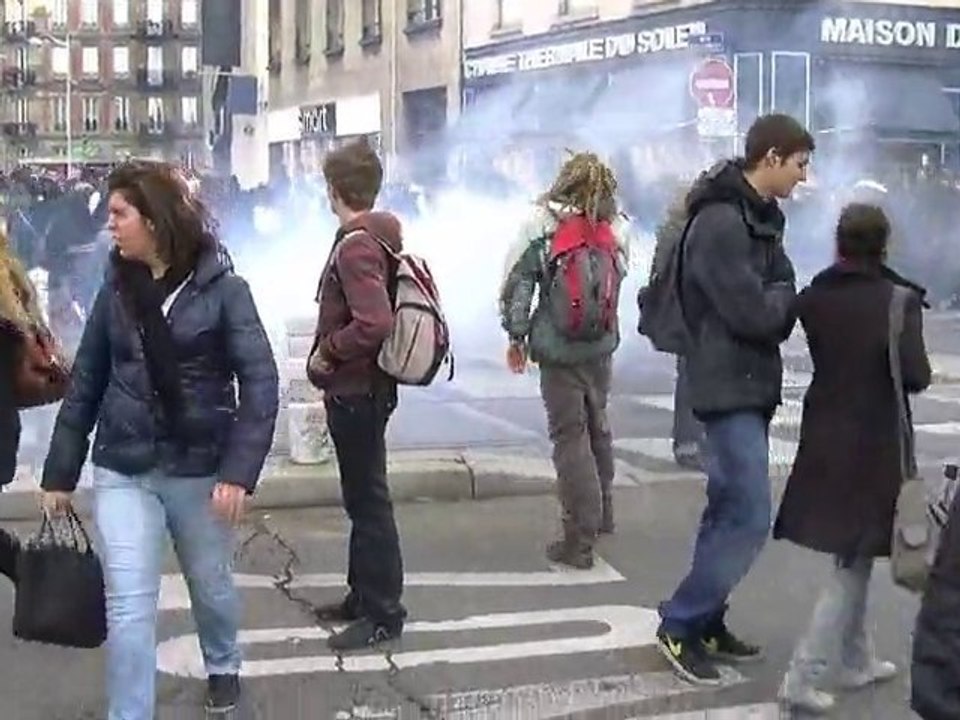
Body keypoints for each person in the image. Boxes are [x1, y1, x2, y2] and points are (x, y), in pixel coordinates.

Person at [39, 161, 279, 719]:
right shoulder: (115, 288)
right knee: (129, 606)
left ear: (155, 217)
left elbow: (261, 382)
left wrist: (238, 472)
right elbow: (89, 378)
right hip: (125, 466)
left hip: (199, 469)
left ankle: (223, 663)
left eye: (120, 213)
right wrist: (60, 471)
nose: (110, 225)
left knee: (211, 587)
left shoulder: (226, 291)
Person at [656, 114, 814, 684]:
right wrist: (779, 299)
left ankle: (707, 620)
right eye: (799, 163)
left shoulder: (758, 216)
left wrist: (777, 293)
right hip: (725, 384)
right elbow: (754, 310)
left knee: (728, 506)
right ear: (770, 157)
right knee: (749, 513)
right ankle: (681, 621)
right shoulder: (723, 222)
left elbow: (779, 284)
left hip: (745, 380)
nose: (804, 176)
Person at [774, 203, 931, 713]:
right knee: (851, 564)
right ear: (883, 245)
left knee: (854, 554)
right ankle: (803, 675)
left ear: (838, 244)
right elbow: (916, 376)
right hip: (874, 440)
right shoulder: (897, 300)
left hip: (823, 434)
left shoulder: (816, 296)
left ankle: (854, 659)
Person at [499, 151, 631, 569]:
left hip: (558, 349)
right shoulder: (616, 227)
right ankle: (604, 512)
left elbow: (518, 285)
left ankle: (579, 537)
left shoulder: (543, 226)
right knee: (598, 425)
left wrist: (516, 335)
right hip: (601, 347)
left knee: (569, 437)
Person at [306, 139, 407, 650]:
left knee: (368, 501)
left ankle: (383, 611)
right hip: (365, 387)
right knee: (361, 497)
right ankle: (361, 596)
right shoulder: (376, 235)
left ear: (334, 190)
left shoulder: (357, 244)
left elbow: (374, 322)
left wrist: (329, 349)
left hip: (357, 388)